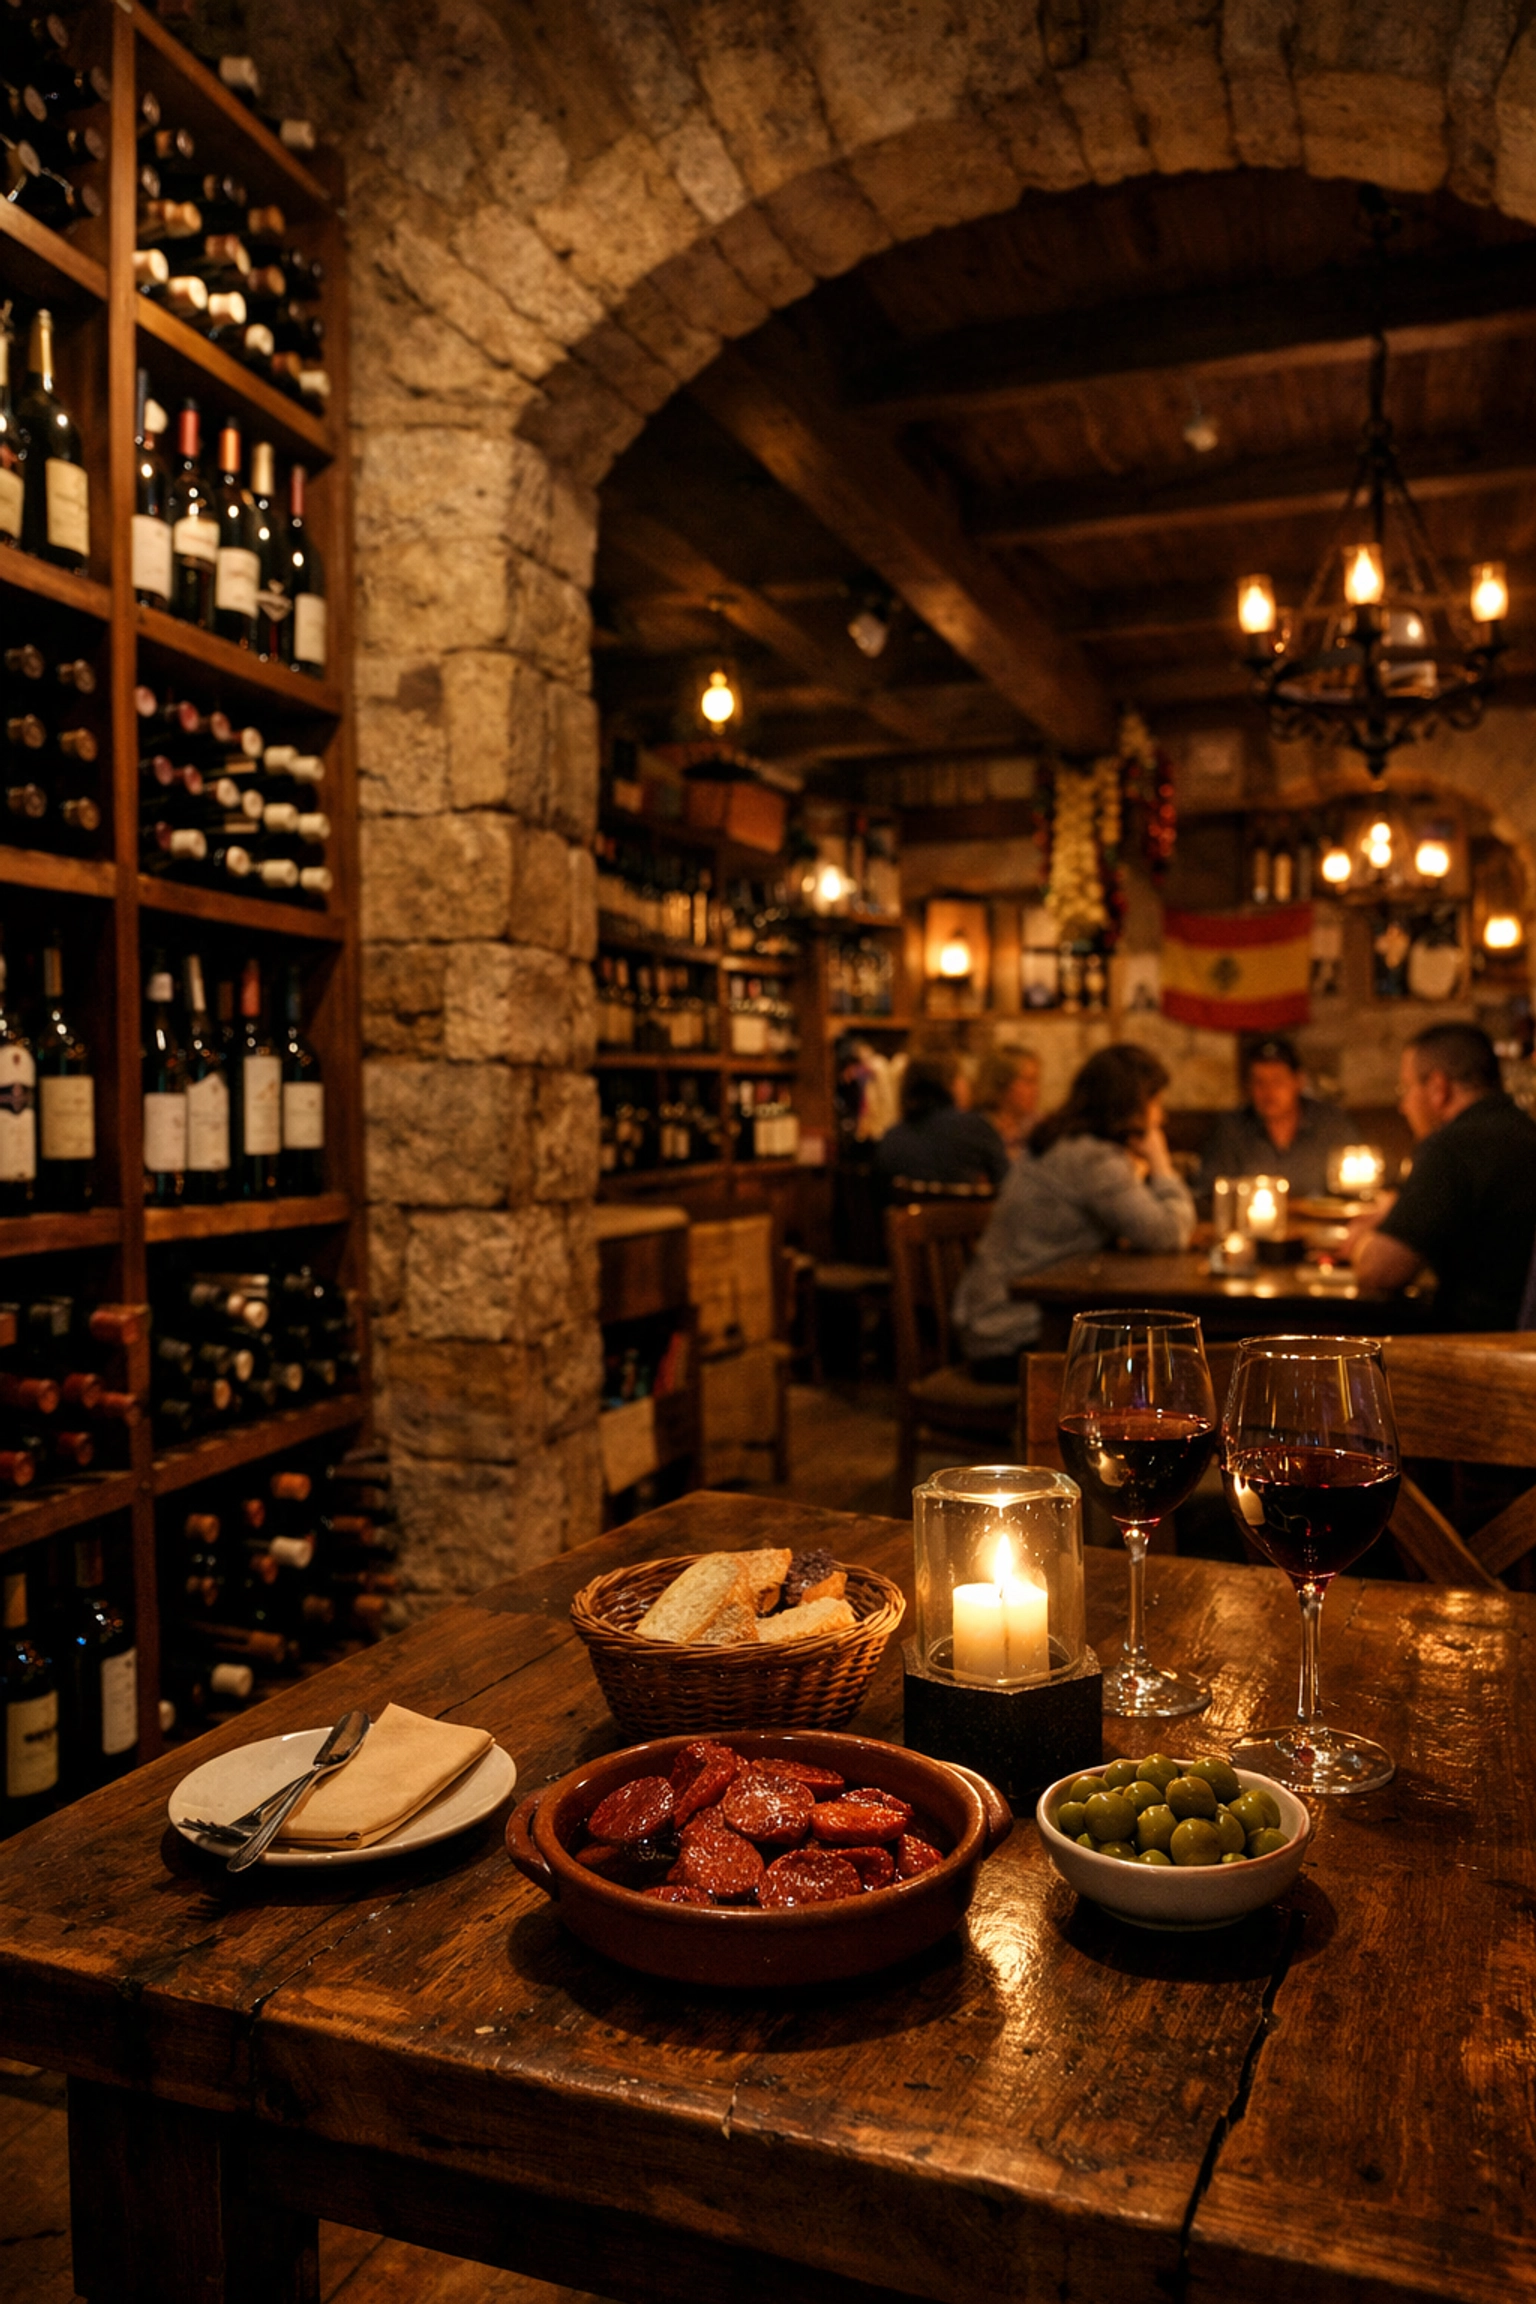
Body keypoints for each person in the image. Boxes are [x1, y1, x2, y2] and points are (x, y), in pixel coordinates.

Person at [954, 1044, 1196, 1377]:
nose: (1160, 1117)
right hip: (1012, 1335)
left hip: (991, 1321)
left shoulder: (1062, 1142)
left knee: (1148, 1348)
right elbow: (1165, 1234)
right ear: (1130, 1106)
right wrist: (1161, 1163)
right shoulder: (1091, 1158)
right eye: (1155, 1103)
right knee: (1163, 1355)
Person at [1348, 1022, 1536, 1329]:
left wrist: (1362, 1239)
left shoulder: (1452, 1147)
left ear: (1438, 1088)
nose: (1403, 1106)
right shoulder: (1524, 1130)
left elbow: (1379, 1270)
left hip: (1478, 1343)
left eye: (1406, 1089)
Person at [1196, 1035, 1359, 1200]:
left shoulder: (1330, 1122)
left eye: (1277, 1081)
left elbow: (1356, 1184)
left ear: (1298, 1081)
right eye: (1259, 1082)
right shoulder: (1231, 1128)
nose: (1268, 1092)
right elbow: (1210, 1189)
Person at [872, 1052, 1009, 1199]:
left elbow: (879, 1197)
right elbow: (1008, 1185)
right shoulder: (977, 1127)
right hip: (964, 1213)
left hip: (908, 1213)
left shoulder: (891, 1139)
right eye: (962, 1077)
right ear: (951, 1084)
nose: (967, 1085)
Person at [974, 1047, 1041, 1160]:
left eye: (1036, 1081)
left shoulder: (1038, 1126)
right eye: (1028, 1081)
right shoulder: (978, 1130)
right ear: (1002, 1084)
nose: (1036, 1090)